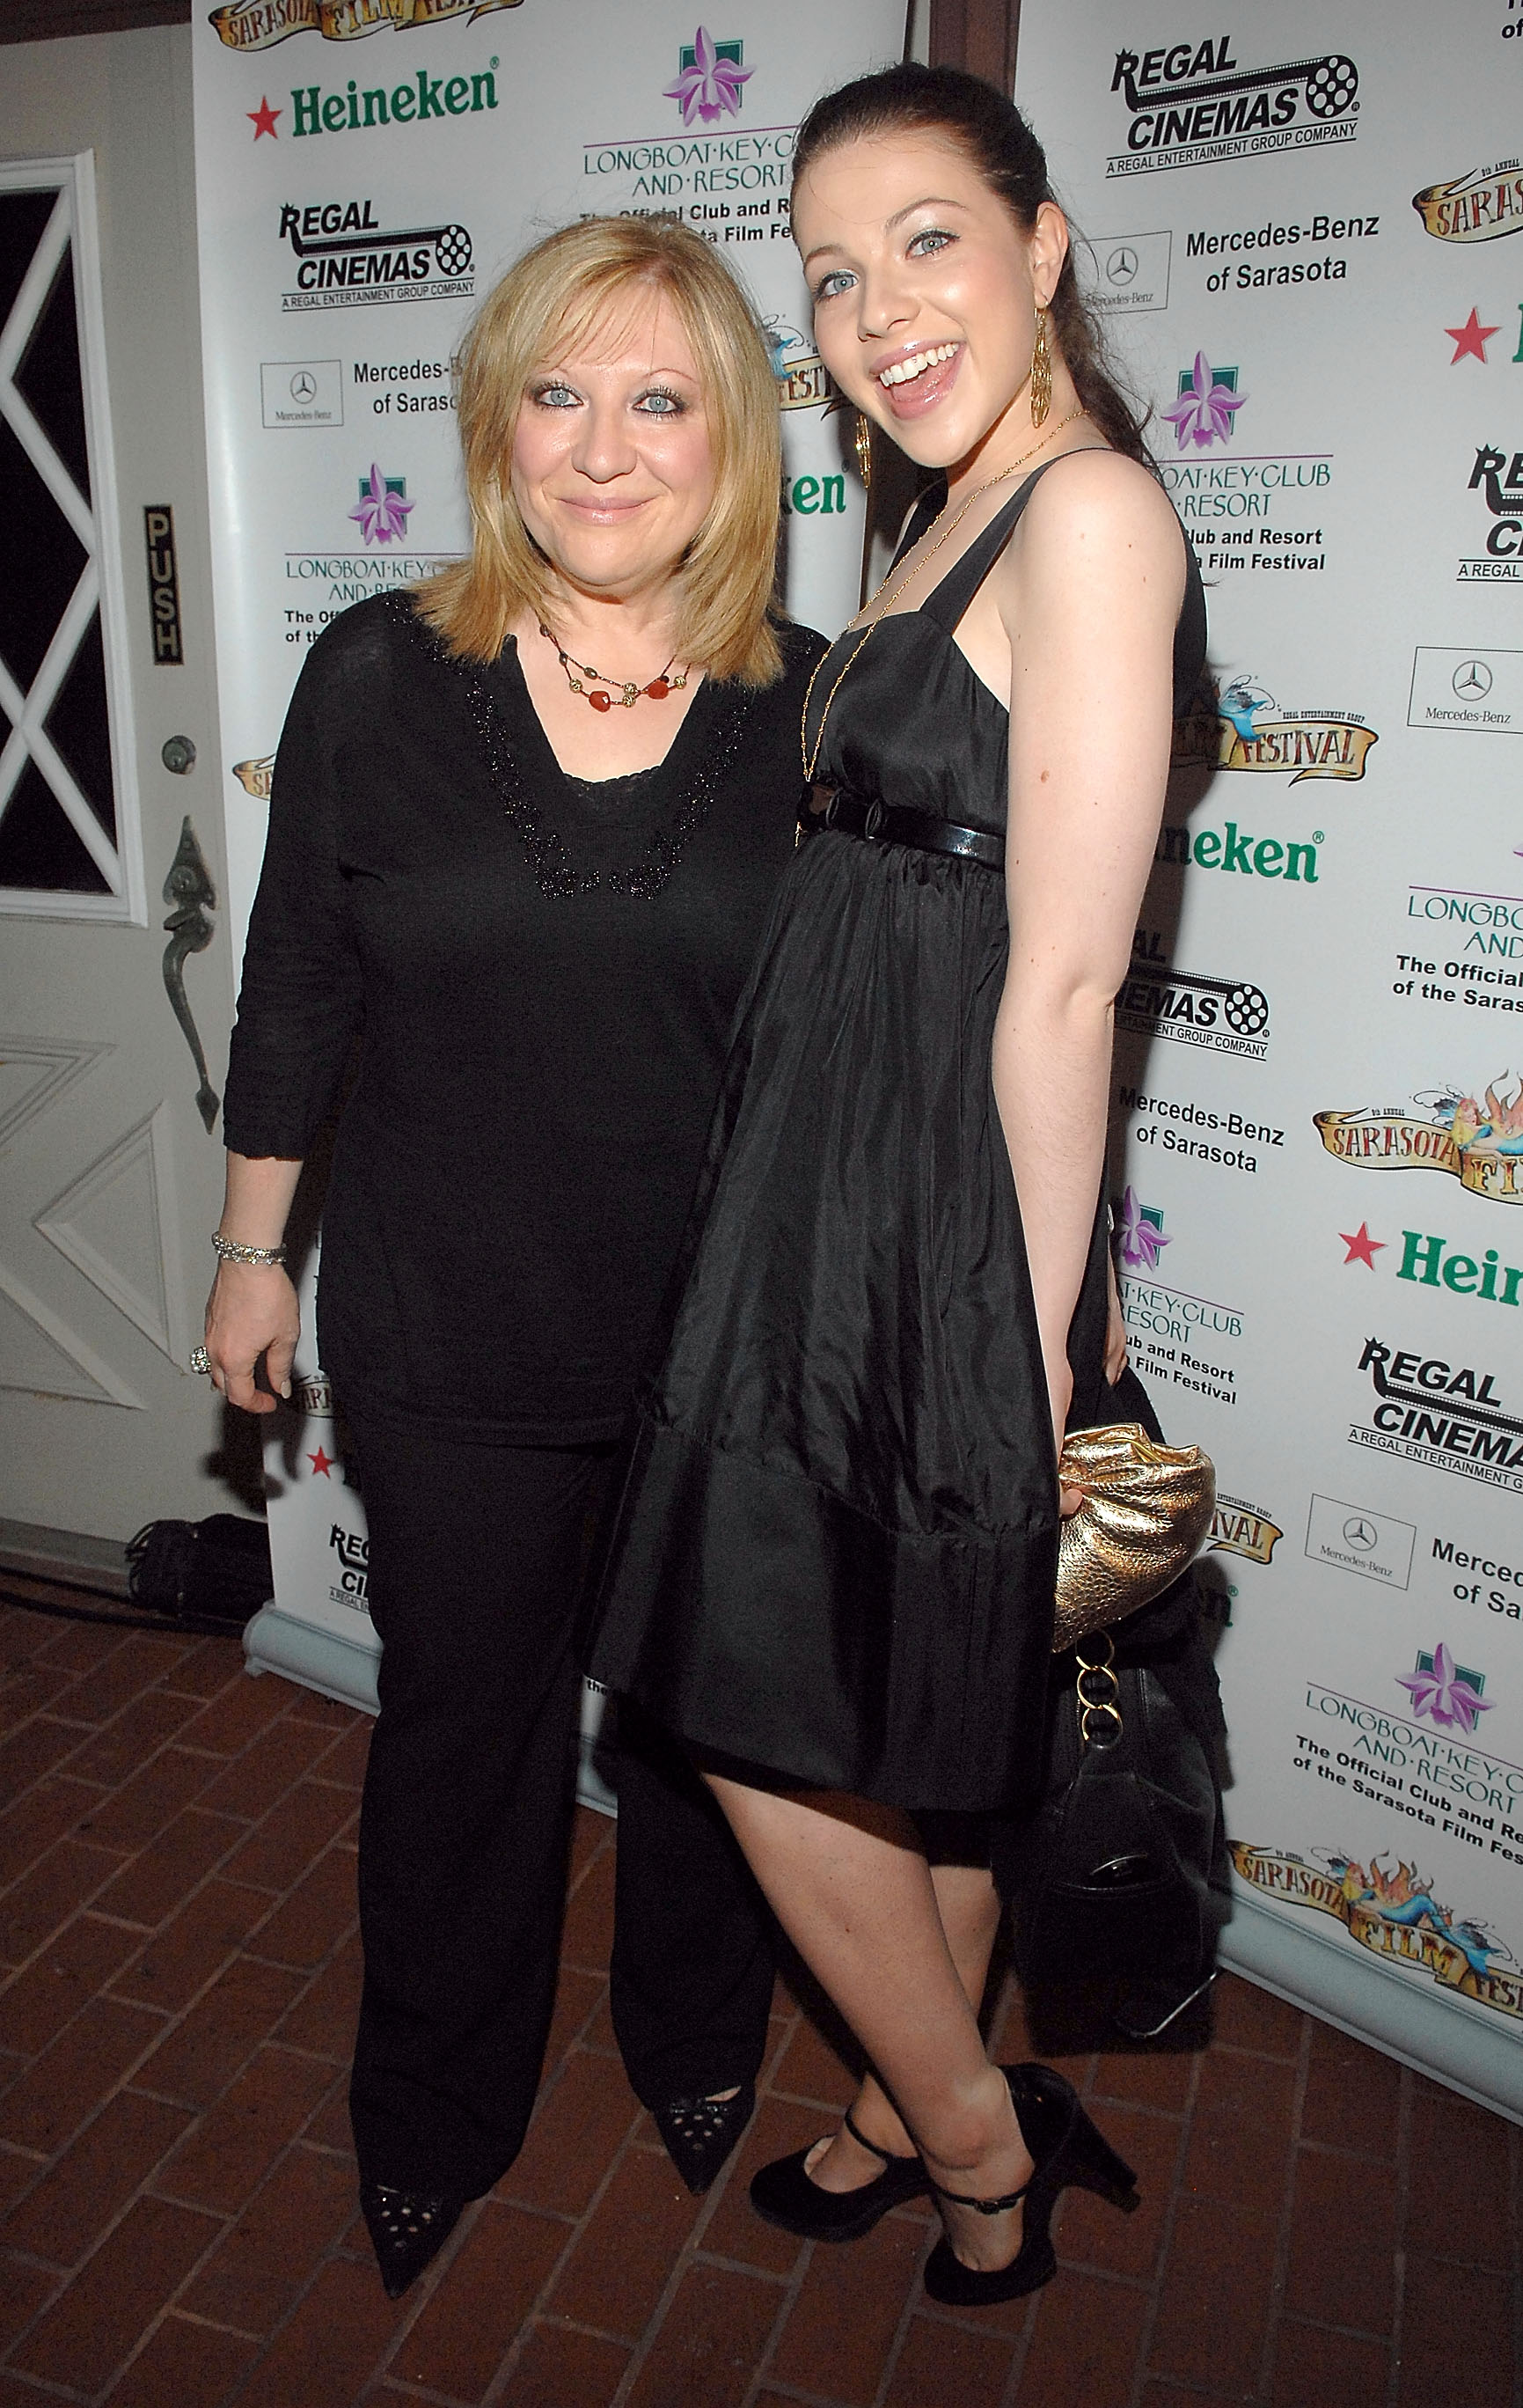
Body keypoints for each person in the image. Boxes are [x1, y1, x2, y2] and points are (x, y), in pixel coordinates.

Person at [588, 64, 1207, 2309]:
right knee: (884, 1717)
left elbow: (1058, 986)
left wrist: (1038, 1350)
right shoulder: (930, 507)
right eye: (831, 277)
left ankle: (972, 2141)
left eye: (925, 242)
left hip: (936, 1208)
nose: (875, 312)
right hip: (821, 1162)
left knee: (751, 1695)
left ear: (1040, 247)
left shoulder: (1093, 521)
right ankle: (902, 2094)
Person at [206, 214, 825, 2297]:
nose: (602, 448)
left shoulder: (812, 717)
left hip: (722, 1348)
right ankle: (432, 2110)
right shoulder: (382, 673)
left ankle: (693, 2038)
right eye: (556, 394)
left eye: (658, 399)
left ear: (734, 440)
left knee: (693, 1740)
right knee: (460, 1739)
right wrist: (251, 1252)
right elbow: (295, 977)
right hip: (455, 1327)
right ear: (496, 426)